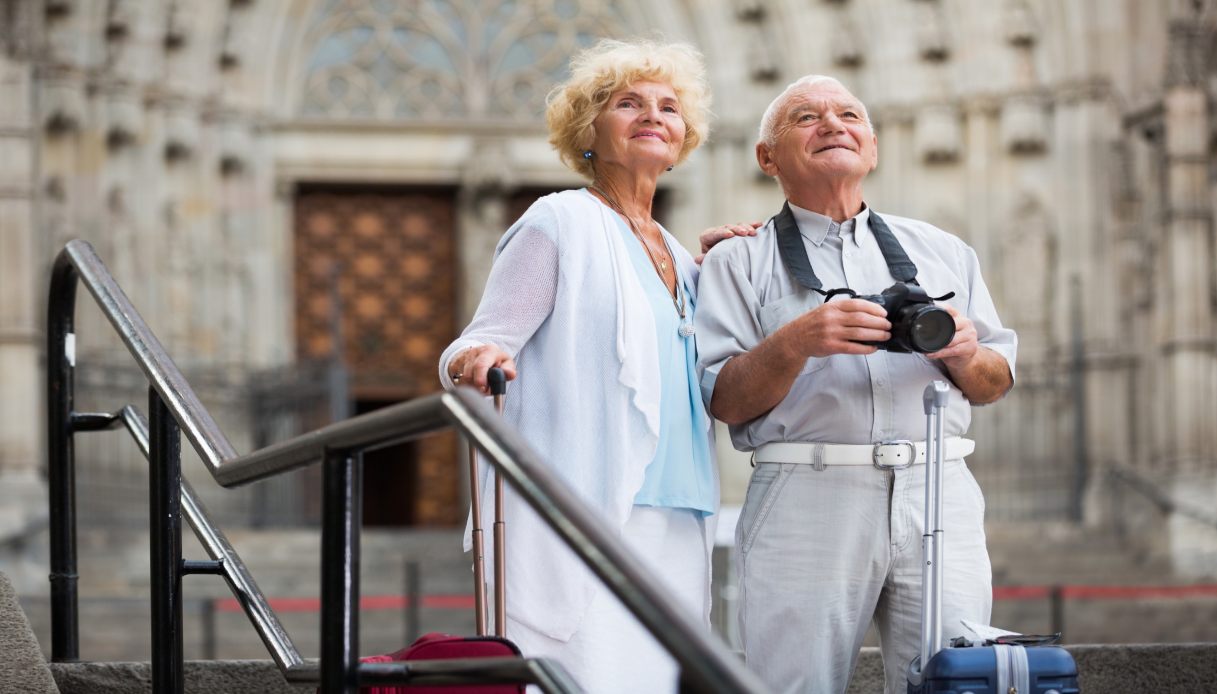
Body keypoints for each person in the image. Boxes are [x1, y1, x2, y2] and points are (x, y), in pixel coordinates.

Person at [437, 39, 753, 693]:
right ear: (589, 130)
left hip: (681, 509)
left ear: (684, 135)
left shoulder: (677, 254)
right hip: (588, 508)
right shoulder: (558, 221)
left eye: (669, 107)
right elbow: (483, 337)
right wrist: (475, 358)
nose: (653, 114)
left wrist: (722, 269)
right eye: (628, 103)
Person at [694, 75, 1017, 694]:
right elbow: (723, 399)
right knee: (793, 684)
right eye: (806, 117)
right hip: (806, 492)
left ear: (873, 146)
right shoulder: (738, 260)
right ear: (767, 157)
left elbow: (994, 382)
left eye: (849, 115)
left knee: (958, 682)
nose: (832, 124)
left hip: (940, 488)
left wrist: (963, 354)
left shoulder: (943, 250)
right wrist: (798, 339)